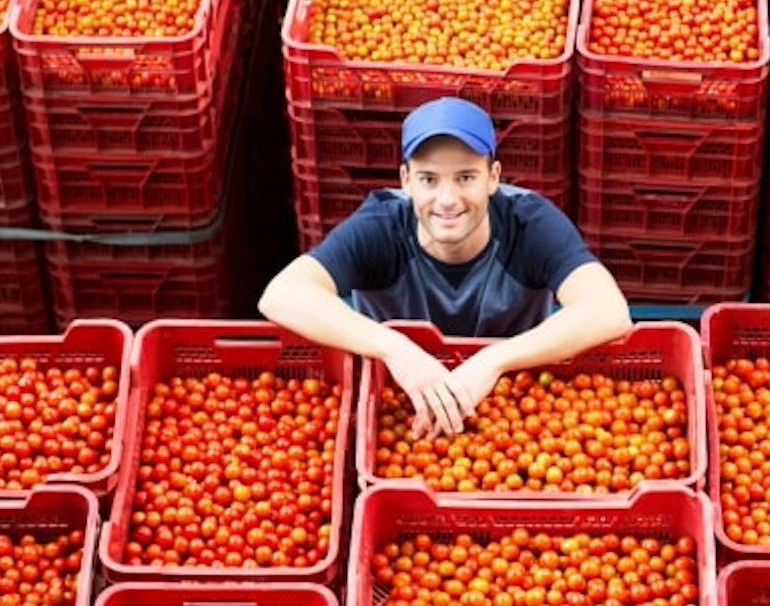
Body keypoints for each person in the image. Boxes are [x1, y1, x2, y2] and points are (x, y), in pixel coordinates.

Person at [259, 96, 633, 441]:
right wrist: (395, 350)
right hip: (399, 402)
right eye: (429, 179)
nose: (448, 199)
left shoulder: (529, 223)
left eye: (466, 177)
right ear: (405, 181)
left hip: (514, 404)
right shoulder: (381, 227)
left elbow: (608, 310)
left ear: (493, 177)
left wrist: (493, 361)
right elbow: (283, 295)